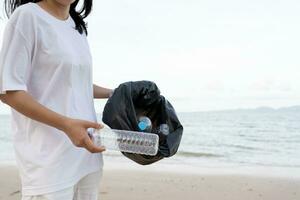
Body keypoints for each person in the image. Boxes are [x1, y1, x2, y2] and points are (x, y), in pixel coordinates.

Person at [0, 0, 113, 199]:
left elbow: (77, 83)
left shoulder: (77, 28)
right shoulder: (27, 17)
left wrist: (117, 93)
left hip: (87, 156)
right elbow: (9, 91)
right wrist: (66, 125)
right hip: (49, 163)